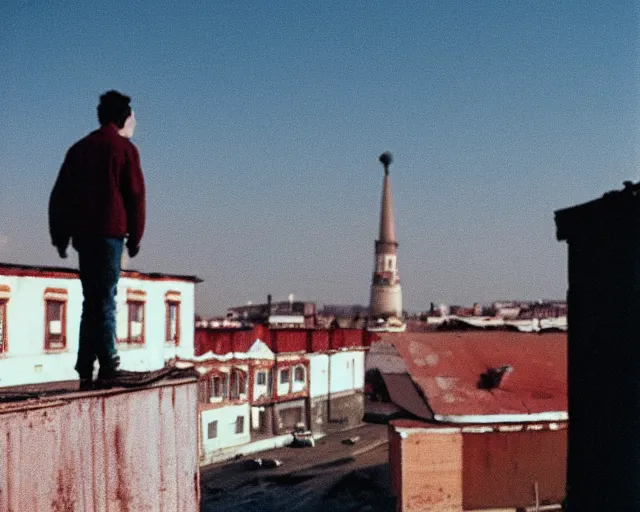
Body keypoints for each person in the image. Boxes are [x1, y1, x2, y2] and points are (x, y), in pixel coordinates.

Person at [49, 90, 145, 390]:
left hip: (83, 236)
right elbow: (135, 196)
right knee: (105, 299)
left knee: (91, 300)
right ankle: (108, 361)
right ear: (123, 117)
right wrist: (136, 236)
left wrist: (60, 236)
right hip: (110, 234)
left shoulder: (79, 149)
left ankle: (84, 364)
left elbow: (60, 196)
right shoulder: (125, 150)